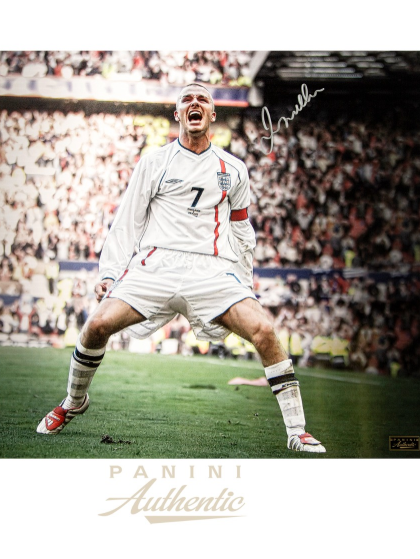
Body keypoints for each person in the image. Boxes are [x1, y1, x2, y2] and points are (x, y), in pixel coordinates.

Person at [36, 83, 326, 453]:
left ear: (212, 114)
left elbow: (241, 231)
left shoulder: (233, 169)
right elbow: (127, 221)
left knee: (265, 331)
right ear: (178, 115)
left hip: (210, 270)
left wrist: (245, 281)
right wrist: (109, 273)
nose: (194, 103)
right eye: (187, 99)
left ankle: (297, 431)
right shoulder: (154, 163)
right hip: (156, 264)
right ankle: (73, 401)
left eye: (202, 99)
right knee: (96, 326)